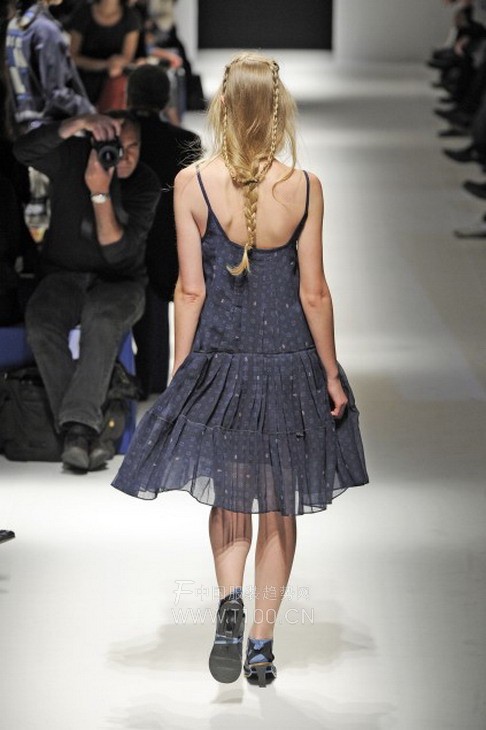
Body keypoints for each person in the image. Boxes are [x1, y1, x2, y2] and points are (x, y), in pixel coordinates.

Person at [111, 53, 369, 687]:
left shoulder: (191, 184)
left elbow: (189, 290)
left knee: (231, 496)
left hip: (221, 360)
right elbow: (314, 292)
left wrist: (182, 371)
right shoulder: (305, 187)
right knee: (279, 505)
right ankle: (261, 646)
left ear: (221, 108)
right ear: (280, 114)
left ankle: (229, 604)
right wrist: (330, 372)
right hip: (289, 362)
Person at [13, 111, 160, 471]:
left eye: (133, 148)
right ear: (97, 142)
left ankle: (77, 433)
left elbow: (116, 253)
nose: (124, 156)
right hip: (63, 276)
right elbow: (22, 151)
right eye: (117, 146)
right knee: (41, 322)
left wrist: (99, 192)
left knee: (101, 319)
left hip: (122, 283)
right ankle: (88, 431)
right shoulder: (74, 157)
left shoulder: (144, 182)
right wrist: (76, 124)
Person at [126, 64, 202, 398]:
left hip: (121, 238)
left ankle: (138, 378)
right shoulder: (186, 141)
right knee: (156, 304)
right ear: (166, 98)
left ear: (129, 96)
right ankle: (156, 380)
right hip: (167, 244)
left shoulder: (116, 137)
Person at [69, 0, 141, 109]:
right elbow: (73, 56)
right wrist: (105, 64)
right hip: (82, 79)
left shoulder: (131, 17)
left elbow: (127, 57)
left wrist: (116, 64)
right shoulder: (83, 13)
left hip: (112, 81)